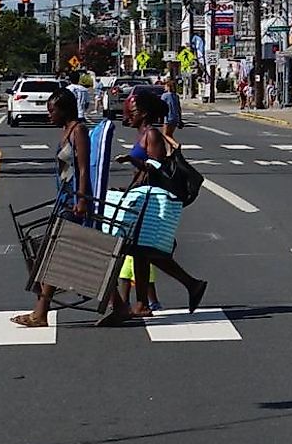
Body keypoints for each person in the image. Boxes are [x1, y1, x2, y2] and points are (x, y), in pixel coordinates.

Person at [103, 84, 207, 325]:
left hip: (153, 203)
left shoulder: (152, 134)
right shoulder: (142, 134)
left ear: (144, 114)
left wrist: (131, 160)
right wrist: (127, 188)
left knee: (146, 250)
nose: (126, 115)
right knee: (140, 251)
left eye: (131, 111)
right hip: (142, 197)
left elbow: (155, 166)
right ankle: (142, 304)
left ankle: (191, 284)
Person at [12, 88, 93, 329]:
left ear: (65, 109)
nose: (49, 115)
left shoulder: (78, 130)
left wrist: (81, 199)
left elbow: (82, 168)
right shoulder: (64, 131)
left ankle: (41, 313)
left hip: (73, 201)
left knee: (53, 254)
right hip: (63, 198)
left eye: (52, 111)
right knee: (76, 255)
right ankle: (117, 302)